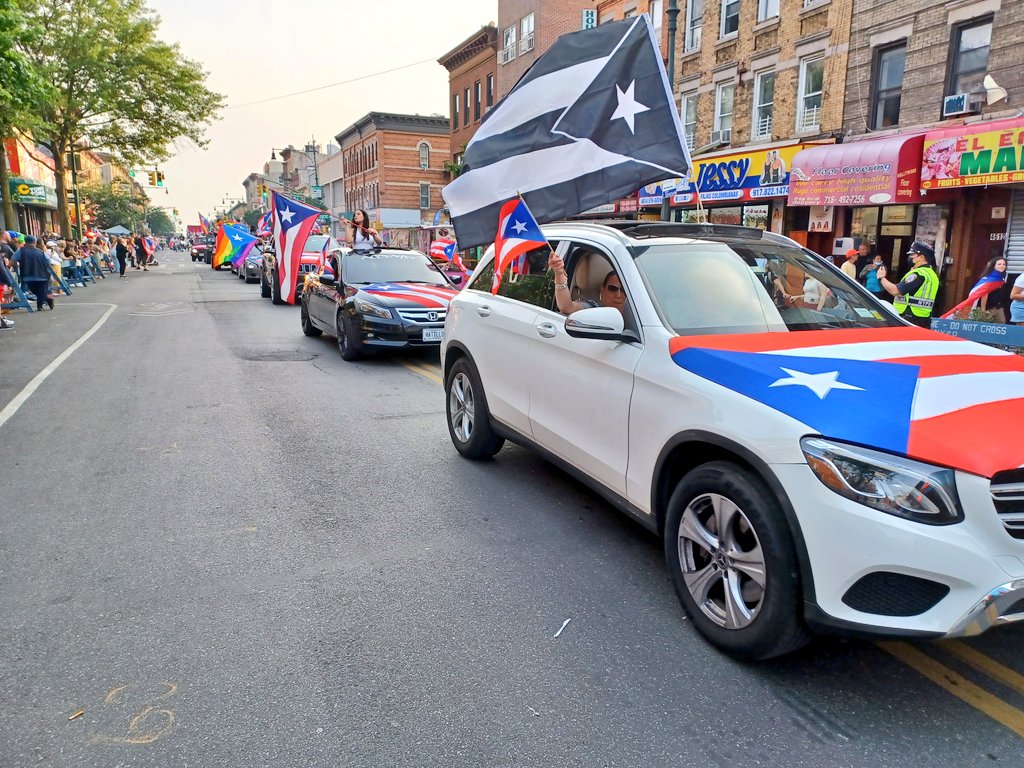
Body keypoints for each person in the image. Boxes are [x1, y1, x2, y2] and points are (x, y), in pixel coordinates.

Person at [877, 240, 939, 327]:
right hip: (924, 318)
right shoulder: (931, 274)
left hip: (910, 317)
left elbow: (895, 291)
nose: (910, 257)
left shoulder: (919, 274)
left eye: (912, 255)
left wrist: (881, 278)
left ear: (921, 257)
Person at [548, 251, 627, 317]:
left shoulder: (637, 310)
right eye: (613, 288)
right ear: (602, 291)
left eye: (624, 290)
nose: (618, 295)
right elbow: (567, 307)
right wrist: (559, 274)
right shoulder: (592, 309)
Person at [14, 235, 53, 310]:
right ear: (35, 242)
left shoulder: (20, 251)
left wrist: (18, 265)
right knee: (41, 291)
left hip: (27, 275)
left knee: (34, 290)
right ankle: (47, 300)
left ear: (25, 242)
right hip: (42, 275)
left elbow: (12, 261)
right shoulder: (41, 252)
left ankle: (40, 305)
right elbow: (48, 262)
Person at [977, 256, 1008, 322]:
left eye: (1004, 264)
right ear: (994, 266)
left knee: (1001, 324)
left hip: (998, 306)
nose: (1002, 266)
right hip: (987, 307)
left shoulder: (1002, 277)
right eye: (999, 264)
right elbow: (984, 294)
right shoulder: (989, 278)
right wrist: (983, 310)